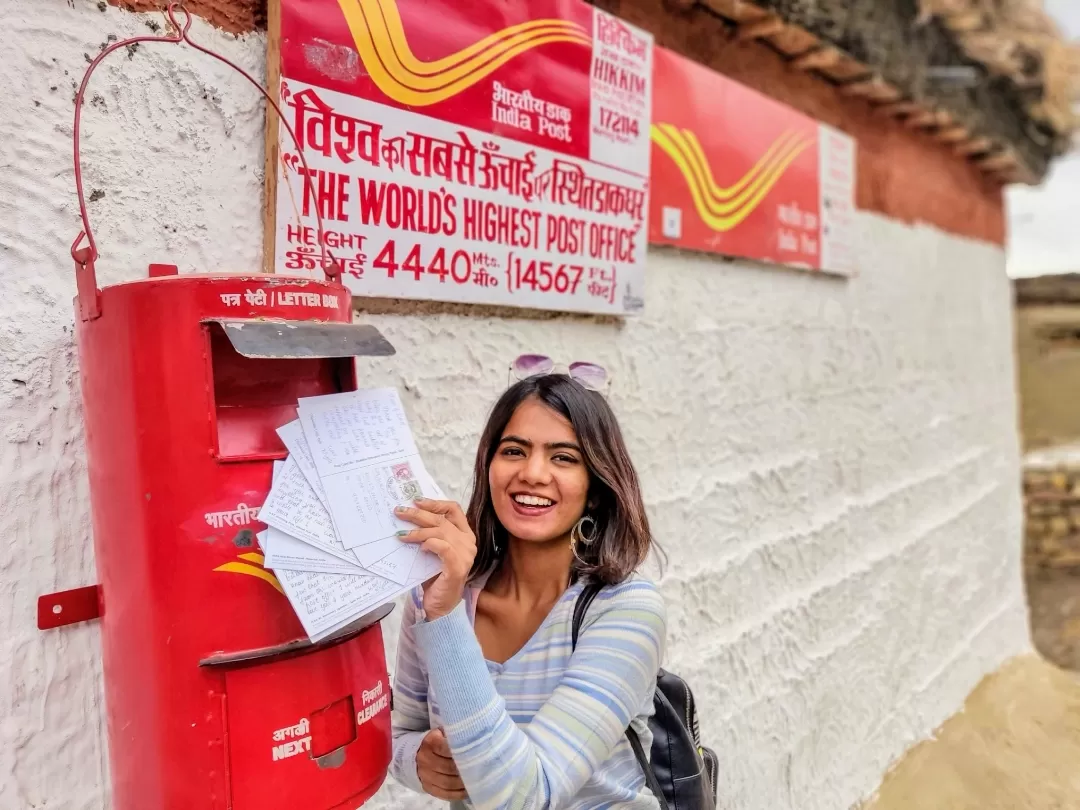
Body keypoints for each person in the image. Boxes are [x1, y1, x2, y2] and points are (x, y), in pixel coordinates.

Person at [390, 367, 666, 809]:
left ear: (595, 488)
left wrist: (444, 620)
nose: (533, 474)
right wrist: (416, 761)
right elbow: (399, 732)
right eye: (514, 450)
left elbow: (525, 797)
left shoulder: (626, 609)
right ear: (489, 466)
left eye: (563, 457)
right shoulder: (439, 594)